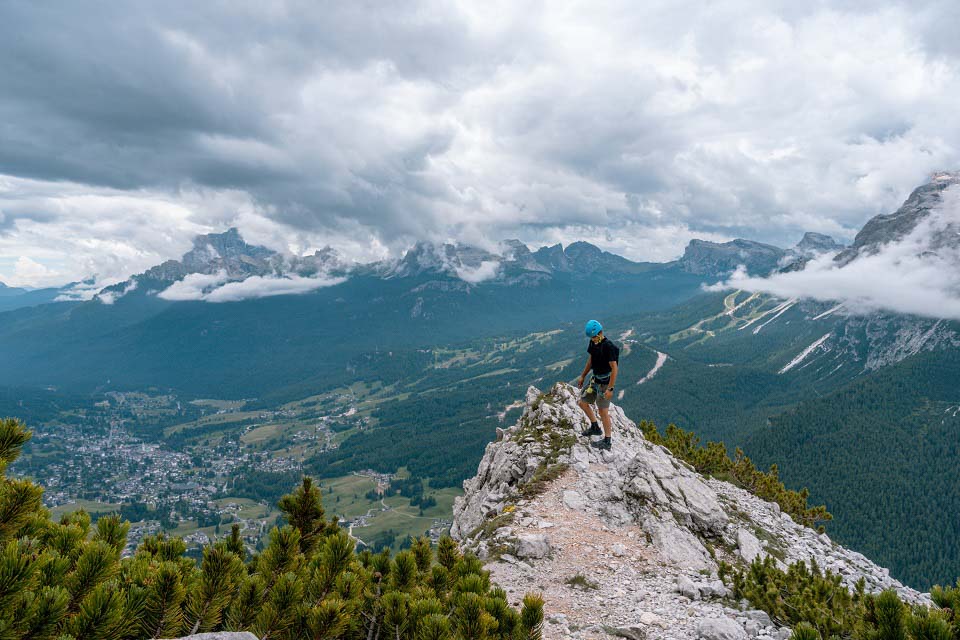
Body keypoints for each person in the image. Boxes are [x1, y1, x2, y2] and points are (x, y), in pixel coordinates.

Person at [577, 319, 619, 450]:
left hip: (605, 383)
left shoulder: (609, 346)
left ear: (600, 333)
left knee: (603, 411)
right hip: (595, 379)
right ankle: (595, 427)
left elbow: (614, 368)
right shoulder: (593, 343)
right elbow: (591, 360)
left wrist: (610, 388)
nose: (593, 339)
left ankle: (607, 441)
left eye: (594, 337)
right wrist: (583, 376)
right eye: (591, 337)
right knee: (582, 403)